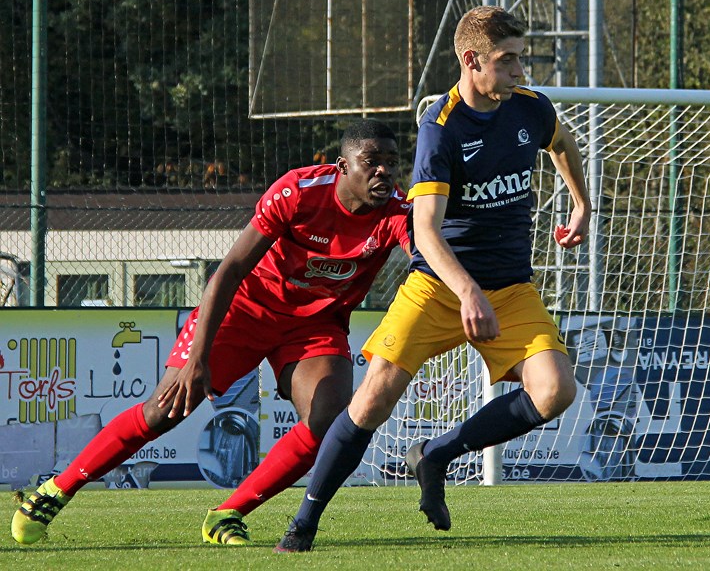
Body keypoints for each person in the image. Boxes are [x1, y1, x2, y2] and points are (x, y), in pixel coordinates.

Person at [274, 6, 591, 553]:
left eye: (520, 59)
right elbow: (424, 230)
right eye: (507, 60)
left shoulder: (531, 107)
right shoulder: (440, 129)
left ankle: (436, 454)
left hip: (511, 288)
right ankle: (303, 522)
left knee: (556, 389)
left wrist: (581, 204)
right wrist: (467, 291)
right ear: (472, 61)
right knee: (372, 401)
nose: (520, 71)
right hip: (440, 286)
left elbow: (562, 142)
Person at [11, 119, 411, 546]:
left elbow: (426, 257)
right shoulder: (298, 191)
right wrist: (197, 358)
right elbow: (230, 271)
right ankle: (56, 490)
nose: (383, 171)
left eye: (391, 162)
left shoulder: (399, 212)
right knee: (164, 411)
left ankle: (228, 514)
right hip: (246, 309)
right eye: (371, 161)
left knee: (327, 420)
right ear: (342, 166)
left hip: (316, 324)